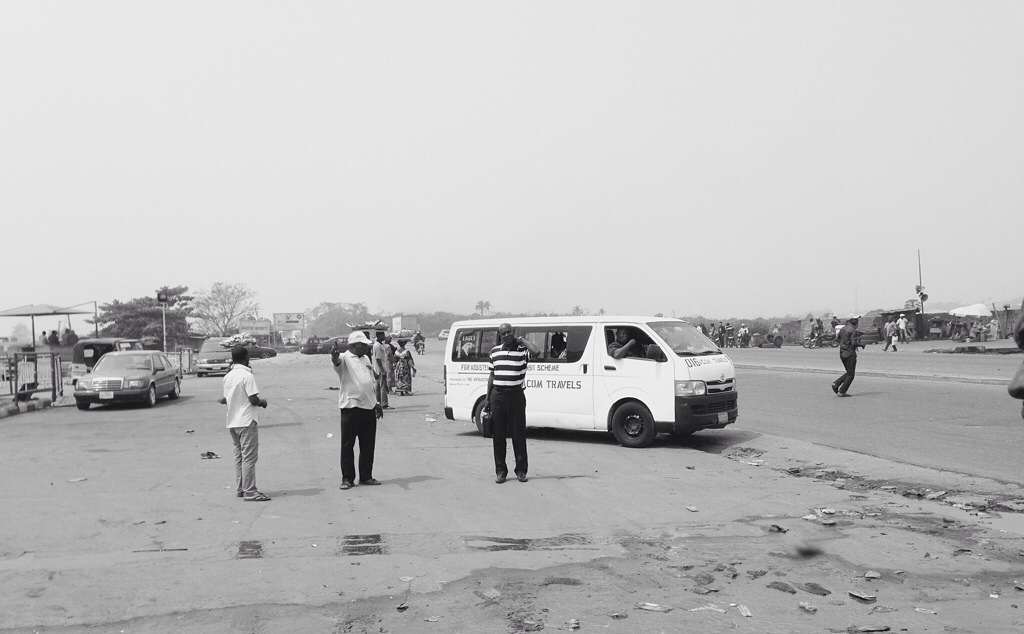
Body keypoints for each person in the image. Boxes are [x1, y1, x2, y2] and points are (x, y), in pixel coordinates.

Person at [487, 323, 541, 483]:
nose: (506, 335)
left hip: (516, 396)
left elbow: (537, 352)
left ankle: (521, 471)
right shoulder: (495, 352)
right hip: (498, 396)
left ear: (514, 332)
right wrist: (487, 399)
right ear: (500, 335)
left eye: (509, 332)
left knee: (518, 435)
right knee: (498, 436)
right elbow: (492, 376)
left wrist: (522, 340)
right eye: (503, 333)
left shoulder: (523, 352)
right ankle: (501, 472)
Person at [331, 331, 384, 490]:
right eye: (363, 345)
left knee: (368, 445)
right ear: (354, 345)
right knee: (348, 445)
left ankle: (366, 476)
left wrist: (376, 402)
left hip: (368, 407)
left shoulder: (366, 358)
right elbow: (336, 362)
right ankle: (347, 478)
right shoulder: (345, 358)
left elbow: (369, 382)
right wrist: (334, 357)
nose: (366, 347)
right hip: (351, 408)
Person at [218, 346, 270, 502]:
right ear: (246, 357)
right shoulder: (247, 376)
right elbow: (253, 399)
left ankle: (241, 488)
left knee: (239, 457)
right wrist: (263, 402)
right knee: (249, 458)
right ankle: (250, 491)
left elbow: (226, 398)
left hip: (232, 421)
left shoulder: (228, 376)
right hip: (246, 421)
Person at [831, 314, 866, 397]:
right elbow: (853, 343)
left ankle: (836, 384)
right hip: (850, 354)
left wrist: (844, 342)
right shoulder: (853, 330)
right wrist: (861, 344)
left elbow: (837, 339)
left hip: (842, 354)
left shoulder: (843, 329)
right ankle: (842, 391)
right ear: (855, 323)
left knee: (849, 373)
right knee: (851, 375)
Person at [372, 332, 391, 410]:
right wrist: (382, 370)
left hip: (378, 369)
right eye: (382, 335)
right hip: (380, 369)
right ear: (378, 336)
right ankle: (384, 403)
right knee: (382, 386)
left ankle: (378, 402)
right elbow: (378, 359)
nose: (383, 337)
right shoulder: (377, 346)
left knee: (378, 387)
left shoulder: (379, 345)